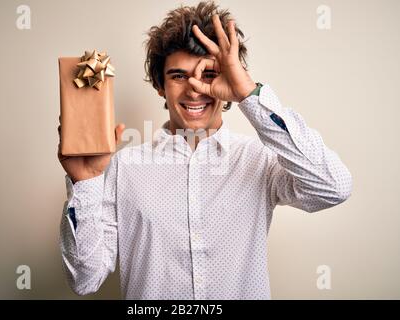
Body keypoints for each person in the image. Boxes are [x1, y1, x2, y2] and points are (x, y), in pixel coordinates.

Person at [57, 1, 352, 299]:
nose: (195, 88)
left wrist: (247, 92)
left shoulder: (259, 159)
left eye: (208, 74)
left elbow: (333, 187)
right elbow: (85, 279)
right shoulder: (123, 168)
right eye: (178, 76)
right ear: (160, 85)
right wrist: (86, 184)